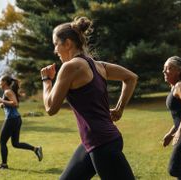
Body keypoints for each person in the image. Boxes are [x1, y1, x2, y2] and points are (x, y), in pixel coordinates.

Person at [40, 17, 137, 180]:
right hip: (97, 141)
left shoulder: (70, 67)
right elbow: (131, 77)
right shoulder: (98, 65)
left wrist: (46, 80)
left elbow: (50, 107)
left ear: (68, 43)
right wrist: (119, 109)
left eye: (56, 44)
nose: (55, 50)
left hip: (102, 143)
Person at [0, 75, 43, 169]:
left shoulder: (8, 91)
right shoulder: (7, 92)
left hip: (12, 119)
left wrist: (2, 101)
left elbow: (15, 104)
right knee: (15, 143)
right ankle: (36, 149)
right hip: (16, 119)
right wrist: (2, 104)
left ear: (4, 82)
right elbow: (12, 104)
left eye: (0, 81)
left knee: (2, 142)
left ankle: (4, 164)